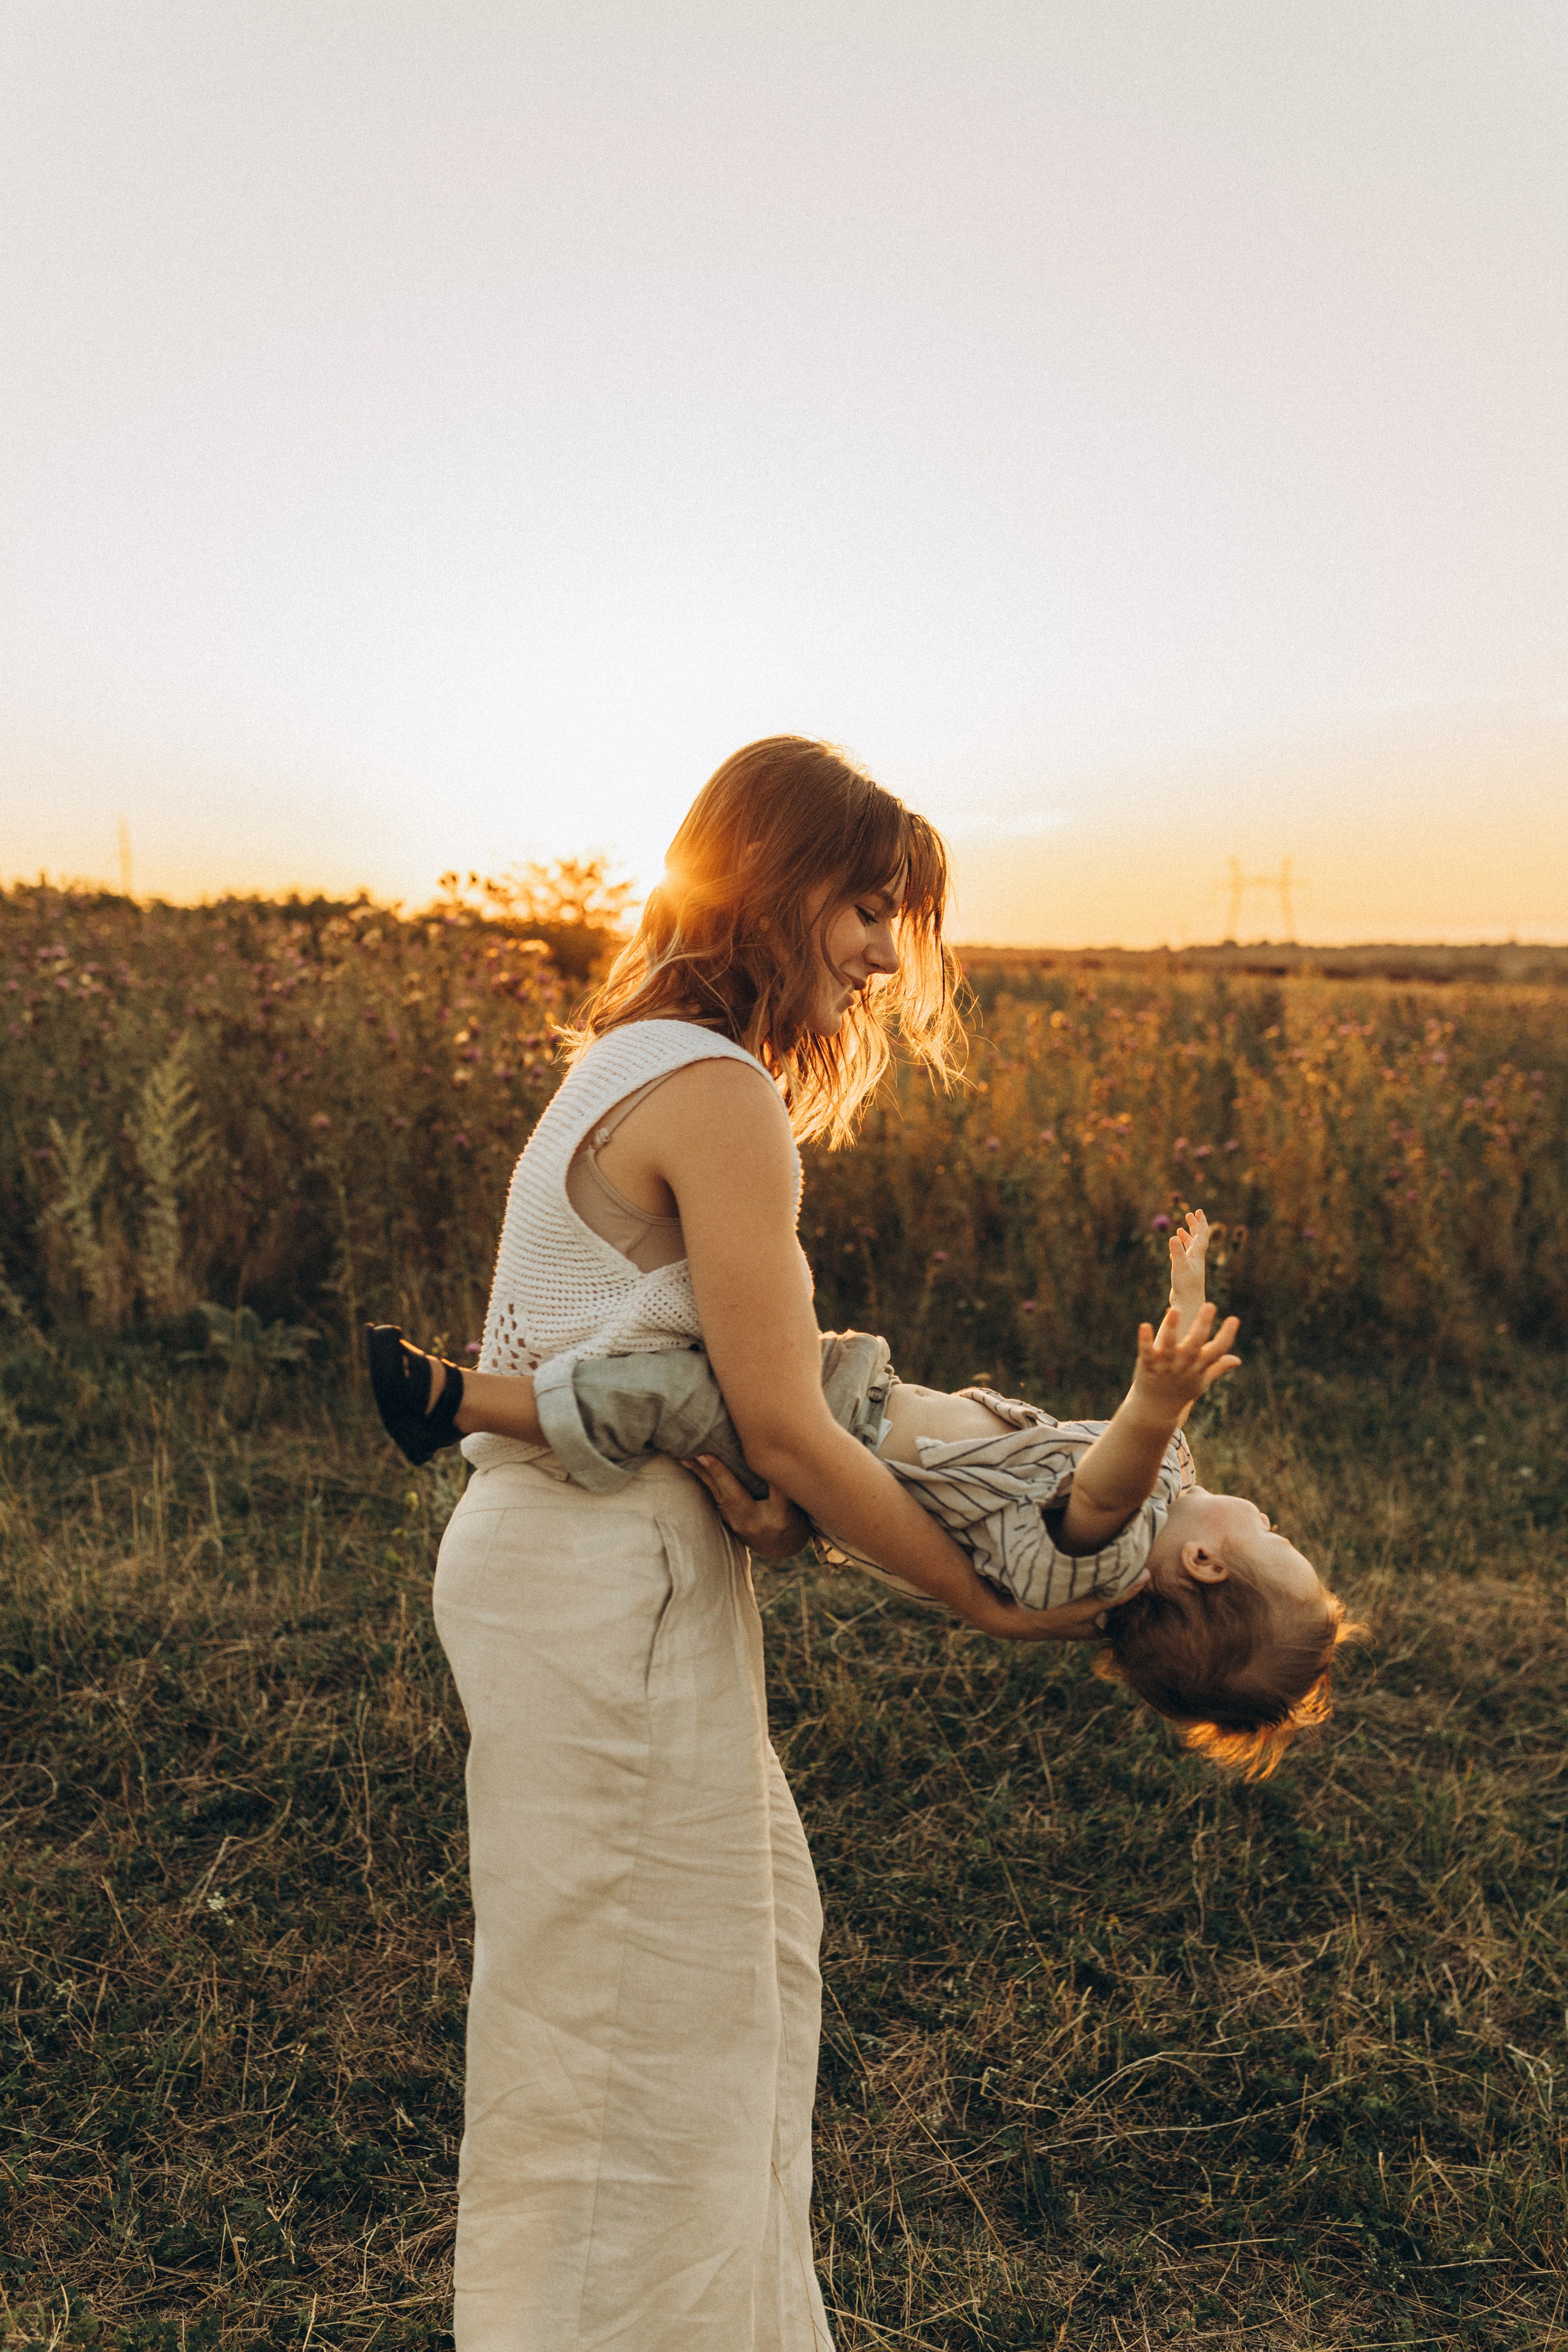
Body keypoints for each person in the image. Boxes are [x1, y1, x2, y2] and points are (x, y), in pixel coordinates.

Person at [419, 737, 1142, 2352]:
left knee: (700, 2004)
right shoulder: (721, 1092)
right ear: (770, 883)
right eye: (866, 907)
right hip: (600, 1586)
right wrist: (994, 1598)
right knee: (641, 2066)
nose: (889, 955)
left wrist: (762, 1491)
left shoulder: (629, 1054)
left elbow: (709, 1399)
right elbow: (799, 1419)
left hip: (582, 1564)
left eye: (902, 919)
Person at [379, 1216, 1355, 1789]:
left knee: (675, 1395)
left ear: (1206, 1565)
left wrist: (1160, 1395)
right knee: (684, 1354)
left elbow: (1107, 1479)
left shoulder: (1101, 1559)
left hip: (836, 1430)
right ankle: (533, 1355)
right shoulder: (1163, 1495)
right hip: (851, 1399)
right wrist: (1186, 1299)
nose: (1264, 1513)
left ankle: (453, 1400)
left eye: (1270, 1537)